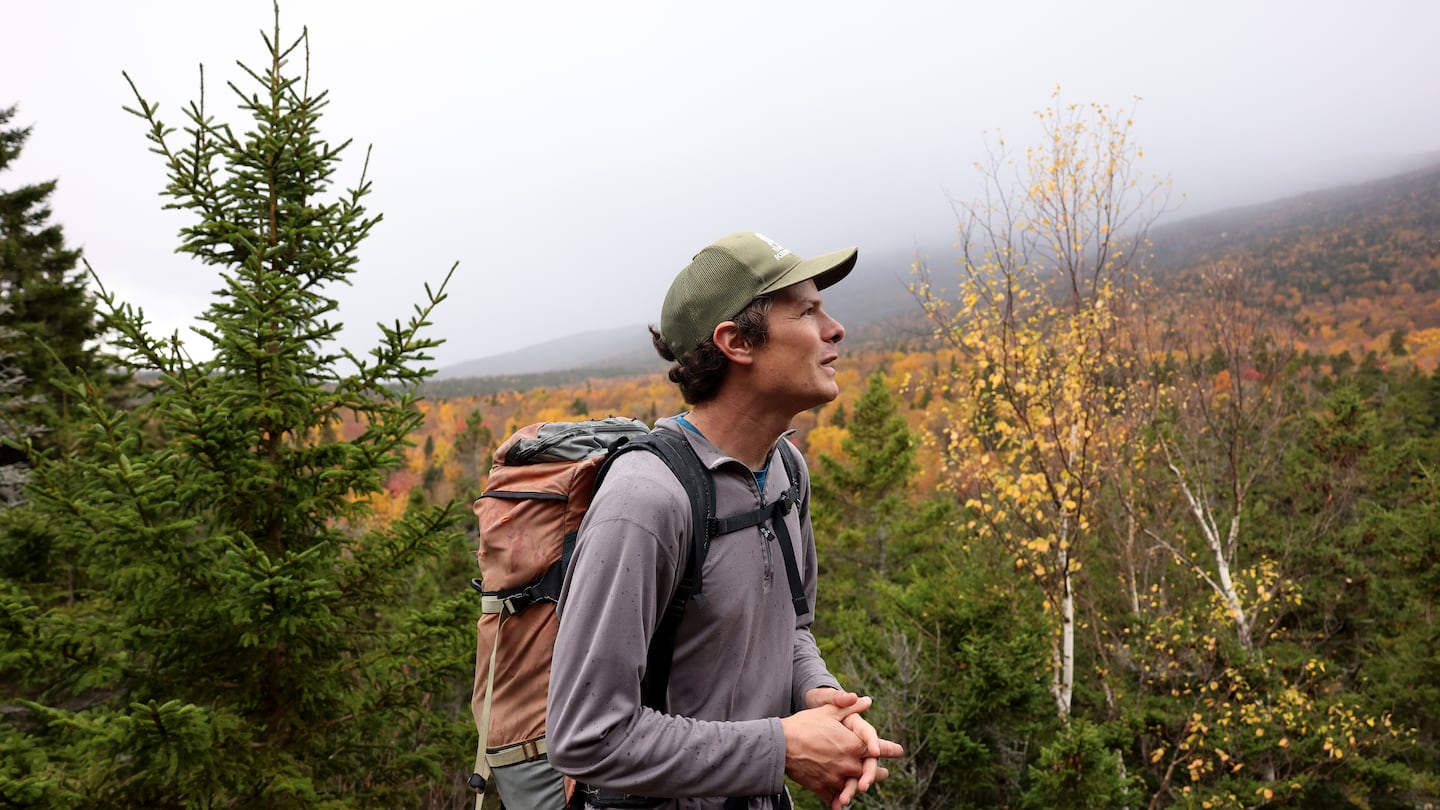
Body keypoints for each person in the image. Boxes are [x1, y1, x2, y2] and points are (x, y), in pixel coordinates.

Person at [547, 231, 903, 810]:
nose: (834, 329)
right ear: (737, 342)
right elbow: (586, 735)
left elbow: (789, 629)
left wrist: (817, 694)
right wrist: (779, 749)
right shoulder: (646, 500)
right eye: (808, 311)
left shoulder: (786, 470)